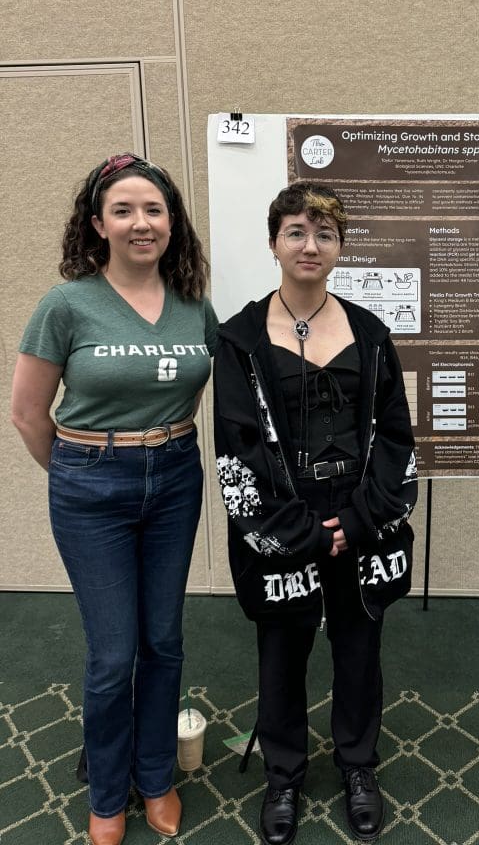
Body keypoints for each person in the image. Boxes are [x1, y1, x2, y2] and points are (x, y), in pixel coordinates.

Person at [11, 153, 217, 845]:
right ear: (97, 223)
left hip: (176, 476)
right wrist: (77, 472)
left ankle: (155, 777)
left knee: (163, 640)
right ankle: (107, 793)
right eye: (123, 210)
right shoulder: (66, 304)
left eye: (154, 209)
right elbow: (28, 413)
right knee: (112, 654)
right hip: (90, 485)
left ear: (171, 222)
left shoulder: (194, 303)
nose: (140, 222)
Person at [213, 181, 417, 845]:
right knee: (282, 645)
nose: (310, 244)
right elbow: (236, 448)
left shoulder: (370, 332)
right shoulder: (239, 339)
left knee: (360, 646)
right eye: (296, 231)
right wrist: (295, 531)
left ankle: (359, 765)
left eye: (324, 234)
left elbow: (394, 436)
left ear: (340, 248)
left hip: (359, 514)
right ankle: (284, 774)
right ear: (274, 242)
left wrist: (360, 521)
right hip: (280, 520)